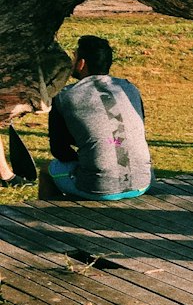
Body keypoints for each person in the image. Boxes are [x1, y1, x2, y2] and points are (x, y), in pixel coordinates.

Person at [41, 35, 152, 201]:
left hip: (99, 186)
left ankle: (49, 215)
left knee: (46, 171)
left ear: (81, 63)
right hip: (143, 181)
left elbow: (59, 150)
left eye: (75, 56)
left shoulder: (64, 96)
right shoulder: (130, 88)